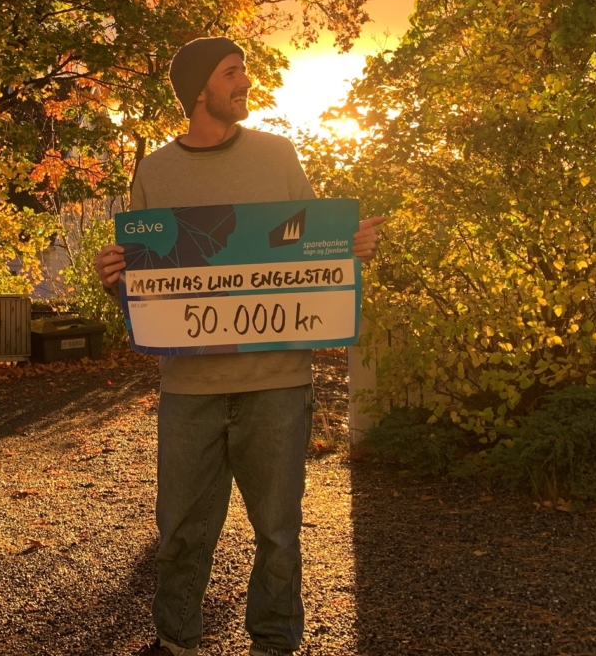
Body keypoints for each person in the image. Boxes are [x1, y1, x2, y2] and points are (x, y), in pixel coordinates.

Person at [96, 37, 386, 656]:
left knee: (278, 532)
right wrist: (117, 275)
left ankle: (275, 643)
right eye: (232, 74)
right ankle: (176, 639)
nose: (244, 82)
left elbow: (304, 243)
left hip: (277, 381)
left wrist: (350, 248)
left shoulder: (277, 155)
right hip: (189, 388)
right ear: (199, 89)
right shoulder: (154, 172)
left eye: (244, 72)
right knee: (178, 530)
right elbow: (146, 292)